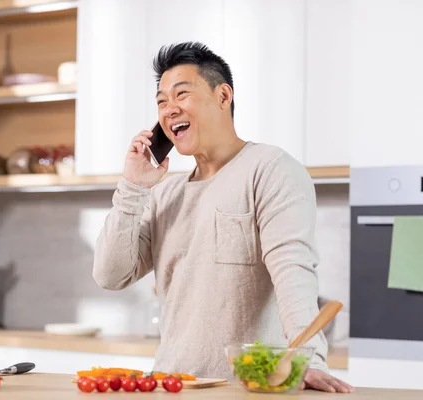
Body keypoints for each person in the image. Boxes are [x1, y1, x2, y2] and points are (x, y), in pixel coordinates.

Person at [92, 41, 353, 394]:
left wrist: (310, 360)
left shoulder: (271, 169)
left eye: (181, 94)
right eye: (161, 102)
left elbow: (293, 271)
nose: (169, 110)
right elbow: (110, 274)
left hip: (247, 388)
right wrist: (132, 187)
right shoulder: (165, 193)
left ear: (223, 95)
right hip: (171, 384)